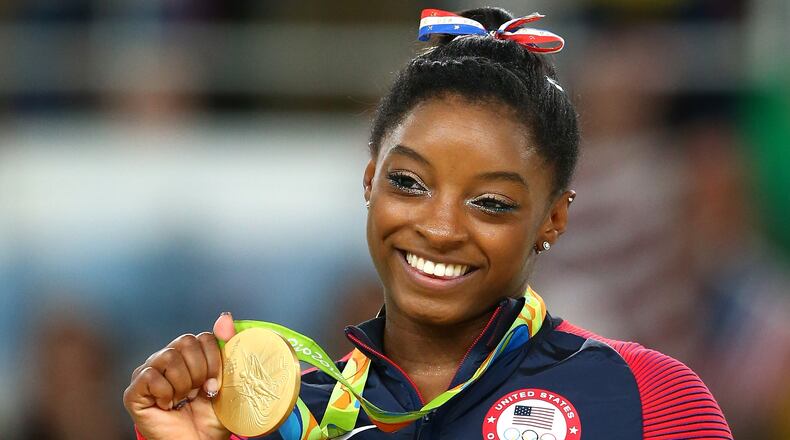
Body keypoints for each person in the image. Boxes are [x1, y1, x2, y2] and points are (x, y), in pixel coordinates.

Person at [123, 7, 733, 440]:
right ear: (369, 183)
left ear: (554, 218)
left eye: (490, 202)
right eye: (409, 183)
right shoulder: (275, 417)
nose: (440, 229)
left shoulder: (647, 400)